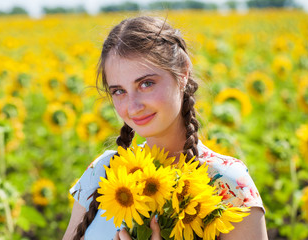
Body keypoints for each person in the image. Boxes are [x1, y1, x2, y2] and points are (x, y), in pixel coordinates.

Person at [63, 16, 268, 240]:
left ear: (183, 74)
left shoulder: (228, 185)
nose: (133, 106)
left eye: (146, 84)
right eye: (119, 91)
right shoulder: (102, 173)